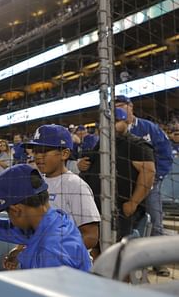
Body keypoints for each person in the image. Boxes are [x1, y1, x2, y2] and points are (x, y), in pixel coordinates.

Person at [0, 164, 91, 271]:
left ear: (16, 210)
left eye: (9, 213)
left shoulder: (50, 253)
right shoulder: (53, 219)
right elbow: (3, 228)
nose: (11, 220)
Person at [79, 108, 155, 241]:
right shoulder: (102, 144)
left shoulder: (137, 144)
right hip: (99, 207)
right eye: (107, 122)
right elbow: (89, 164)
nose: (111, 125)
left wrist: (133, 203)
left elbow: (148, 174)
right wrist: (81, 165)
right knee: (98, 246)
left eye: (116, 121)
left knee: (120, 250)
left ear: (126, 122)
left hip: (120, 210)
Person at [22, 125, 100, 249]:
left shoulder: (75, 185)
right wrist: (20, 249)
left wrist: (57, 252)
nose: (38, 156)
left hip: (68, 265)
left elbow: (91, 236)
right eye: (36, 151)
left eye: (45, 151)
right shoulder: (37, 183)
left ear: (64, 154)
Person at [115, 96, 173, 260]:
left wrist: (156, 177)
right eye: (116, 106)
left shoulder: (149, 128)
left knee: (155, 220)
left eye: (121, 105)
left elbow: (165, 154)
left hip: (148, 184)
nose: (119, 108)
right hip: (125, 187)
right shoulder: (114, 130)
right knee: (125, 222)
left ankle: (160, 260)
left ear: (130, 106)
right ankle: (128, 259)